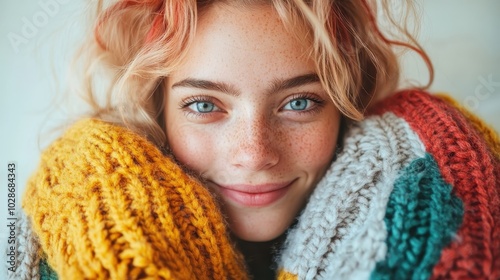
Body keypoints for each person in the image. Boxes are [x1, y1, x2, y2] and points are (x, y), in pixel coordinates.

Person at [9, 0, 499, 279]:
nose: (254, 154)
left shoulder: (431, 174)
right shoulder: (76, 225)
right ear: (157, 109)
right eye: (204, 105)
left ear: (347, 103)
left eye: (299, 102)